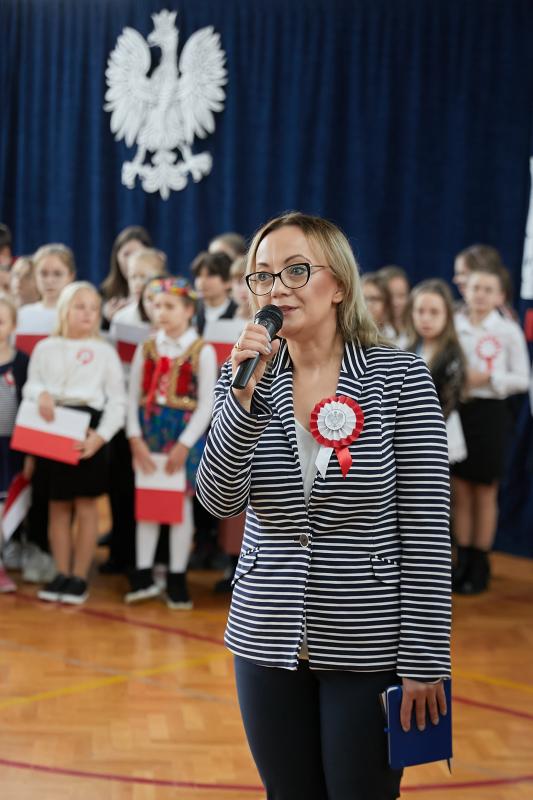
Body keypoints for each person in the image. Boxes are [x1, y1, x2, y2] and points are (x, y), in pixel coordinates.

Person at [196, 212, 451, 800]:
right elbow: (218, 500)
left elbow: (426, 530)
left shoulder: (400, 376)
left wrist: (425, 659)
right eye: (263, 275)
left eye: (296, 270)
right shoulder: (244, 375)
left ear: (338, 284)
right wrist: (241, 400)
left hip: (368, 637)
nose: (277, 287)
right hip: (266, 633)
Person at [23, 282, 126, 604]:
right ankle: (61, 572)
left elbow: (117, 402)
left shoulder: (105, 351)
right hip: (53, 426)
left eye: (94, 308)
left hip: (87, 430)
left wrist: (100, 437)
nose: (88, 313)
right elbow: (31, 385)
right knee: (57, 504)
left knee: (86, 505)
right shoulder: (45, 347)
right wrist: (40, 393)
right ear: (64, 309)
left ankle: (79, 577)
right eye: (80, 306)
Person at [125, 277, 217, 609]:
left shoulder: (202, 351)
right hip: (150, 434)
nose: (160, 312)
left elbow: (207, 404)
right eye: (156, 306)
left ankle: (177, 577)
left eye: (169, 306)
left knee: (180, 506)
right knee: (148, 503)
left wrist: (185, 444)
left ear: (189, 310)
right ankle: (143, 575)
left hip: (183, 436)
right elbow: (132, 397)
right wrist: (135, 438)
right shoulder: (147, 348)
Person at [451, 265, 530, 594]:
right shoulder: (454, 323)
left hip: (492, 415)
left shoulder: (507, 330)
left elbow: (523, 379)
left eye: (488, 289)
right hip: (459, 412)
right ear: (465, 289)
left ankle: (480, 563)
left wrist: (490, 379)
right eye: (475, 287)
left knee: (484, 490)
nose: (480, 294)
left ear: (500, 296)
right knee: (460, 489)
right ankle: (461, 560)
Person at [18, 243, 76, 583]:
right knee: (31, 483)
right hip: (27, 411)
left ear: (70, 276)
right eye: (44, 273)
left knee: (58, 490)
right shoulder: (24, 315)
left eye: (57, 273)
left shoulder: (74, 315)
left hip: (63, 418)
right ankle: (30, 546)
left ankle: (57, 554)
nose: (50, 280)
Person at [0, 295, 29, 592]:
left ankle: (9, 550)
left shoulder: (22, 363)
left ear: (13, 325)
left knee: (6, 503)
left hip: (11, 447)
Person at [100, 226, 152, 328]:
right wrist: (104, 315)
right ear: (116, 257)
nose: (131, 260)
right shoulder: (105, 292)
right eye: (126, 254)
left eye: (137, 253)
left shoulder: (160, 291)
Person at [191, 250, 236, 336]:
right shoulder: (190, 310)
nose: (201, 282)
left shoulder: (239, 313)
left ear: (228, 281)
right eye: (199, 275)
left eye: (210, 276)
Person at [377, 265, 410, 348]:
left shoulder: (417, 329)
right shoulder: (373, 332)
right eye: (390, 296)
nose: (395, 302)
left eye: (401, 295)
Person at [361, 272, 395, 341]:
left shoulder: (397, 340)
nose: (368, 304)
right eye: (363, 299)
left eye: (374, 299)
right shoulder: (347, 336)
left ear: (387, 304)